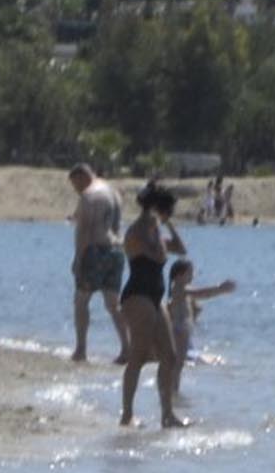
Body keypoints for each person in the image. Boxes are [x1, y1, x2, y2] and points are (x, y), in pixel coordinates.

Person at [117, 182, 188, 428]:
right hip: (137, 296)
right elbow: (158, 256)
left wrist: (167, 225)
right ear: (158, 207)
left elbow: (181, 249)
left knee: (170, 356)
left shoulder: (156, 228)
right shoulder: (136, 231)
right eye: (168, 211)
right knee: (139, 354)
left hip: (155, 298)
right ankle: (127, 414)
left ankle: (167, 414)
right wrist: (159, 235)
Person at [68, 164, 126, 364]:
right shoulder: (113, 192)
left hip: (95, 251)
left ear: (82, 177)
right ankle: (127, 347)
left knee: (81, 300)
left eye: (75, 185)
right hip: (117, 251)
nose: (76, 190)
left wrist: (78, 259)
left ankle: (81, 349)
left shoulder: (89, 195)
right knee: (113, 304)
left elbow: (84, 230)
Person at [166, 257, 237, 365]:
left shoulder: (182, 290)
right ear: (178, 275)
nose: (193, 275)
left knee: (217, 359)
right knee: (211, 362)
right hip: (179, 335)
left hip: (185, 336)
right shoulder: (179, 288)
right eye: (190, 272)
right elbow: (202, 294)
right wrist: (220, 289)